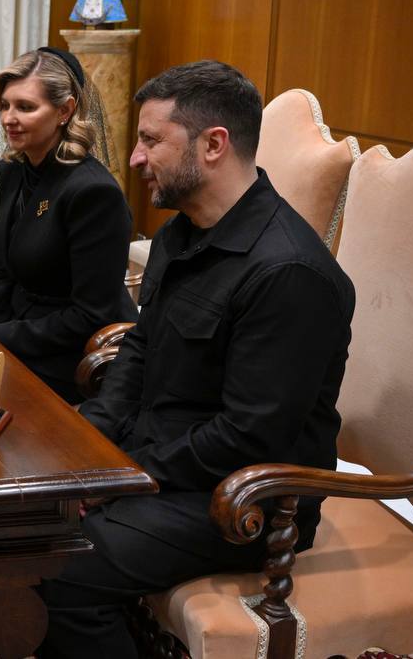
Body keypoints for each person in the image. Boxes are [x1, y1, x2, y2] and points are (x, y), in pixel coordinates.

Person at [37, 61, 356, 658]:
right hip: (164, 462)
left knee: (60, 566)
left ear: (213, 145)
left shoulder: (289, 273)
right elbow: (139, 351)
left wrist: (122, 477)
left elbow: (247, 436)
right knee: (19, 510)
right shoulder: (181, 233)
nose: (135, 157)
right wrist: (89, 448)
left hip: (245, 501)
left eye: (151, 140)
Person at [0, 47, 137, 403]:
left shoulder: (93, 192)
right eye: (5, 105)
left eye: (25, 107)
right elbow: (2, 271)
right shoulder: (11, 170)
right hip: (20, 327)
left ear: (65, 111)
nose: (8, 118)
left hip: (74, 350)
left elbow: (91, 315)